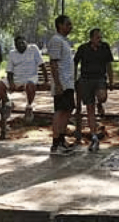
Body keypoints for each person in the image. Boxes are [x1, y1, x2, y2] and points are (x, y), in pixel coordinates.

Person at [74, 28, 114, 152]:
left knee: (102, 96)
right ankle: (94, 135)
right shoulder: (83, 48)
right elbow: (75, 62)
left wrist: (111, 80)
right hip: (86, 79)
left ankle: (100, 103)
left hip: (100, 78)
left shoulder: (105, 47)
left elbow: (109, 64)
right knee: (89, 108)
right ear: (91, 38)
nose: (99, 39)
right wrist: (75, 78)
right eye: (97, 37)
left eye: (100, 37)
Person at [0, 35, 46, 124]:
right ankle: (8, 104)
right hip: (16, 78)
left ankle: (29, 107)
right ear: (15, 45)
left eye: (23, 43)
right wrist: (11, 83)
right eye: (18, 44)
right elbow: (9, 71)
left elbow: (42, 65)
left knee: (30, 85)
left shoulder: (33, 49)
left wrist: (46, 81)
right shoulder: (12, 53)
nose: (21, 45)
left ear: (26, 42)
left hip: (30, 78)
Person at [49, 15, 76, 155]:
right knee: (60, 111)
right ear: (59, 25)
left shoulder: (65, 41)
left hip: (68, 82)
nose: (70, 27)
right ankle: (55, 143)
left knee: (68, 109)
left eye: (70, 24)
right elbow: (53, 63)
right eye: (67, 24)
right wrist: (58, 83)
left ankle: (61, 139)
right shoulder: (56, 40)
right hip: (62, 82)